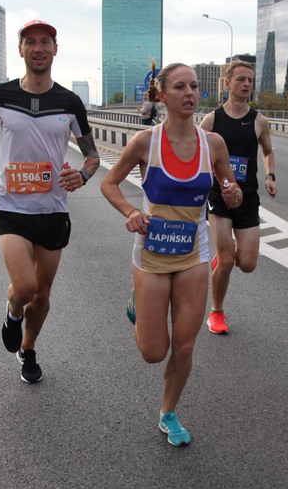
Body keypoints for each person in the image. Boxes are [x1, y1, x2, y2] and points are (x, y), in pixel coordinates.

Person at [100, 63, 242, 446]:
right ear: (162, 95)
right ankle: (138, 303)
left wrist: (233, 194)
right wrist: (131, 211)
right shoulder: (145, 142)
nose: (189, 93)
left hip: (193, 253)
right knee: (153, 351)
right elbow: (109, 184)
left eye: (194, 86)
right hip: (151, 255)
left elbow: (232, 192)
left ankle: (168, 412)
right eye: (180, 87)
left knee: (184, 345)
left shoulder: (213, 144)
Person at [0, 19, 99, 384]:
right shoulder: (0, 96)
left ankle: (28, 348)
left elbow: (92, 155)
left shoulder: (70, 102)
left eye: (45, 42)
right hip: (11, 206)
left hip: (53, 210)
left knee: (41, 296)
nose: (38, 48)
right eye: (30, 42)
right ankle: (13, 312)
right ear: (21, 49)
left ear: (55, 50)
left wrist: (83, 175)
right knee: (24, 288)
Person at [200, 60, 275, 335]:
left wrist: (271, 175)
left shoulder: (258, 121)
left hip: (247, 198)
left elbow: (268, 151)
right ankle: (216, 312)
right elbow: (199, 155)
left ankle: (223, 259)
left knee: (248, 264)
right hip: (219, 196)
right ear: (228, 83)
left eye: (250, 80)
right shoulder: (212, 120)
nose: (246, 84)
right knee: (227, 259)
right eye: (241, 79)